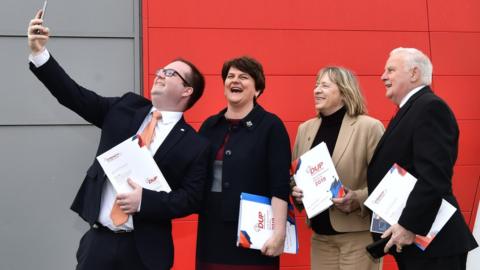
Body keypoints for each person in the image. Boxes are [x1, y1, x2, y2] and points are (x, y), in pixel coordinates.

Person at [28, 10, 209, 270]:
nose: (160, 74)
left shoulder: (195, 145)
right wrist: (40, 55)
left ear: (187, 91)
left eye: (170, 74)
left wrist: (144, 201)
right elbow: (74, 96)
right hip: (98, 244)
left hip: (145, 252)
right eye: (161, 69)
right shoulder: (126, 107)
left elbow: (191, 199)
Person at [367, 47, 478, 270]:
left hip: (432, 246)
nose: (383, 76)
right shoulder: (411, 108)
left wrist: (409, 225)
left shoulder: (430, 108)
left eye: (390, 70)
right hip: (417, 244)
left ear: (414, 74)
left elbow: (434, 176)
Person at [195, 56, 291, 269]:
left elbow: (280, 185)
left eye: (243, 77)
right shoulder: (210, 126)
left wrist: (279, 233)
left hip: (255, 239)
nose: (235, 81)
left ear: (257, 90)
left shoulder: (271, 126)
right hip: (211, 236)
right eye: (230, 76)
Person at [290, 66, 384, 270]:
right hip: (321, 237)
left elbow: (388, 183)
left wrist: (358, 199)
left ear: (344, 91)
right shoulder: (305, 129)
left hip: (357, 237)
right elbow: (295, 176)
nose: (316, 90)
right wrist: (296, 192)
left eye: (324, 85)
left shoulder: (369, 127)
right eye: (316, 85)